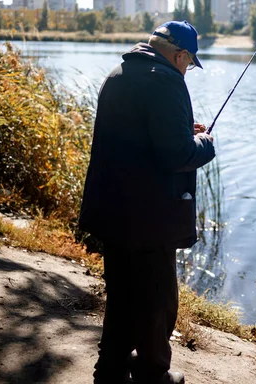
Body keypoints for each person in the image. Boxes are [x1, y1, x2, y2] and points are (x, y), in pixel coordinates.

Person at [78, 20, 216, 384]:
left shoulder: (120, 72)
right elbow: (176, 155)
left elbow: (138, 137)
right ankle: (154, 374)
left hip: (114, 212)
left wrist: (183, 130)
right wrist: (205, 144)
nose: (188, 70)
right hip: (149, 219)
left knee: (122, 297)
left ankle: (109, 370)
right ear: (180, 54)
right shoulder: (167, 81)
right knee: (158, 302)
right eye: (189, 63)